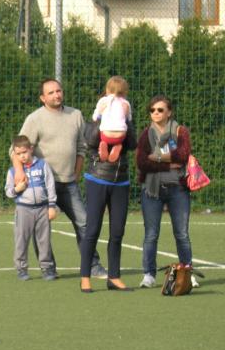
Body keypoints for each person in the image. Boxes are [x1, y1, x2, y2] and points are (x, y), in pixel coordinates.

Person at [15, 78, 107, 278]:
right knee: (42, 229)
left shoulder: (75, 115)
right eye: (51, 92)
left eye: (58, 91)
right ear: (42, 98)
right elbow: (15, 150)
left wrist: (76, 172)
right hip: (42, 185)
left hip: (69, 184)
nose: (56, 95)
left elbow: (82, 147)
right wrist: (19, 172)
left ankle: (93, 266)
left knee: (84, 223)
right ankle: (49, 269)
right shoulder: (34, 119)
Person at [135, 95, 195, 289]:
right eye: (152, 110)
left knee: (182, 233)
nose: (155, 113)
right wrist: (168, 163)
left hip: (178, 189)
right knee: (151, 234)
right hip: (152, 190)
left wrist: (157, 157)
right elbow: (142, 162)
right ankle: (149, 274)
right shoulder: (146, 134)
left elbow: (183, 155)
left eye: (160, 110)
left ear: (169, 112)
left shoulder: (180, 131)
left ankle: (187, 273)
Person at [78, 103, 137, 293]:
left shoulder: (124, 121)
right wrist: (100, 117)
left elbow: (133, 144)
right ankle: (85, 277)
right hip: (97, 178)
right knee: (92, 229)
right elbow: (89, 141)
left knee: (117, 231)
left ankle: (114, 277)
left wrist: (128, 119)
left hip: (121, 181)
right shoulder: (95, 120)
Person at [5, 135, 58, 281]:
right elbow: (8, 192)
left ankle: (47, 268)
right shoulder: (13, 171)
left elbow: (50, 185)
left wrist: (51, 206)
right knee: (21, 240)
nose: (22, 156)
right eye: (18, 154)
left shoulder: (42, 165)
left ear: (31, 149)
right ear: (14, 154)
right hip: (23, 209)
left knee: (44, 240)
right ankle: (21, 269)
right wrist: (17, 189)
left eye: (24, 152)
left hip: (42, 208)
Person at [93, 75, 131, 163]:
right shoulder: (126, 103)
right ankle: (117, 145)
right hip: (120, 136)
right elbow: (129, 118)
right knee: (121, 133)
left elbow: (95, 117)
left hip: (106, 135)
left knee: (103, 133)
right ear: (125, 91)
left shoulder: (103, 100)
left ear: (107, 89)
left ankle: (103, 143)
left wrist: (100, 114)